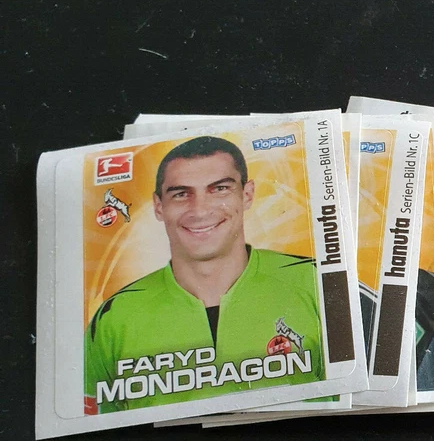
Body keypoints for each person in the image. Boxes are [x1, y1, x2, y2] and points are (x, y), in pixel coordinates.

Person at [84, 135, 323, 413]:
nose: (200, 210)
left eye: (219, 189)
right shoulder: (114, 317)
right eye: (181, 194)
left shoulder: (317, 282)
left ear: (247, 195)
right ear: (159, 206)